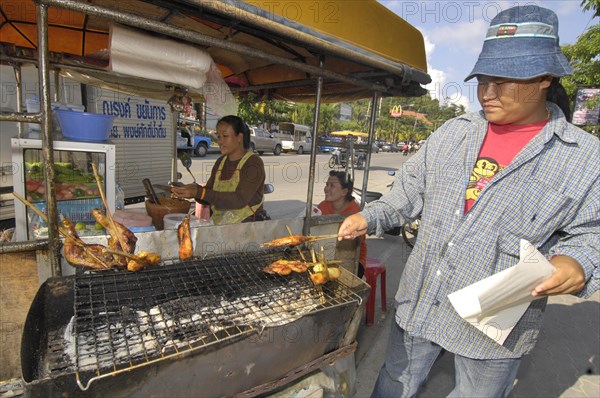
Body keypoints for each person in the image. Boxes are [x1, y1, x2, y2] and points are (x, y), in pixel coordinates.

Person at [337, 5, 598, 397]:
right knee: (395, 383)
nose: (488, 93)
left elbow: (590, 234)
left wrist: (577, 262)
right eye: (482, 79)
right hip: (422, 300)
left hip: (495, 322)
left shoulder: (583, 157)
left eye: (505, 80)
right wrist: (367, 217)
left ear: (546, 78)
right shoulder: (453, 133)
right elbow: (406, 195)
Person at [172, 115, 268, 224]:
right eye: (218, 136)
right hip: (221, 226)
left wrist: (199, 192)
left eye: (225, 136)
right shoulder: (220, 162)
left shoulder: (253, 163)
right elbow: (208, 194)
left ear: (239, 137)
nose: (220, 141)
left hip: (248, 228)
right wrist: (191, 191)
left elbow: (239, 200)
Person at [317, 171, 366, 278]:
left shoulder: (354, 212)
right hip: (327, 255)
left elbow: (350, 245)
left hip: (353, 259)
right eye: (326, 185)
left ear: (344, 192)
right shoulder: (324, 205)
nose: (326, 189)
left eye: (332, 186)